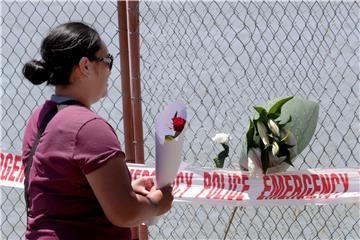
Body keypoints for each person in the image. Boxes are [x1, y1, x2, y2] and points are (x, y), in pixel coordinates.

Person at [21, 22, 173, 240]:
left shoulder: (40, 117)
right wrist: (157, 203)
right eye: (107, 61)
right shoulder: (89, 127)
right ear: (85, 66)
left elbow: (63, 194)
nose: (109, 70)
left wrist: (125, 189)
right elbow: (125, 212)